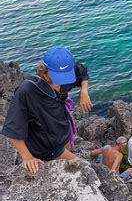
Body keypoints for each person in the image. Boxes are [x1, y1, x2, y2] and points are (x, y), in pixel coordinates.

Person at [1, 46, 92, 174]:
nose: (61, 83)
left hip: (61, 133)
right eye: (57, 77)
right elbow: (13, 129)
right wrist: (27, 157)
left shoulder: (69, 72)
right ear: (44, 71)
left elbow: (83, 72)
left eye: (65, 76)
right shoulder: (27, 91)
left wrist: (84, 91)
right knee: (83, 170)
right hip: (46, 149)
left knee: (68, 153)